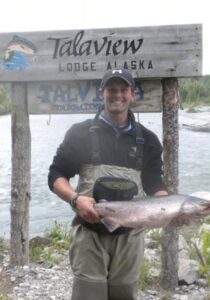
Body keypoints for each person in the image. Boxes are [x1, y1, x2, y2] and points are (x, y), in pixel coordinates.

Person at [48, 69, 168, 300]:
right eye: (112, 89)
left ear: (133, 94)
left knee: (124, 295)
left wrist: (169, 210)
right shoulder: (80, 133)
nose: (117, 95)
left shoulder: (149, 140)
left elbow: (155, 184)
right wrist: (75, 199)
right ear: (101, 93)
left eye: (124, 90)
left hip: (130, 238)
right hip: (89, 235)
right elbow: (56, 175)